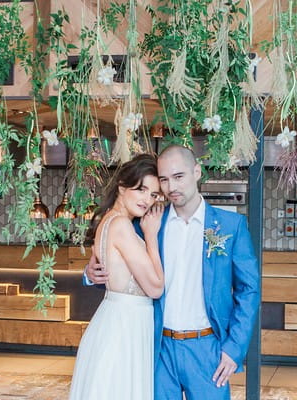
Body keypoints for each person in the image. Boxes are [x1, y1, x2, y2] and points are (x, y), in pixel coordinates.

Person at [86, 145, 260, 400]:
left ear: (196, 172)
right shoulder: (147, 223)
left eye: (179, 177)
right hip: (158, 347)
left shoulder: (231, 226)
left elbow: (249, 290)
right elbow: (118, 263)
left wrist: (234, 349)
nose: (171, 187)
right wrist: (90, 273)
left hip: (206, 347)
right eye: (164, 180)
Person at [69, 153, 165, 400]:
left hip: (118, 319)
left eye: (153, 194)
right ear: (122, 186)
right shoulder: (122, 225)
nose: (147, 200)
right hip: (124, 325)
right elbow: (155, 288)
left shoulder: (107, 221)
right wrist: (151, 236)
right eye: (141, 189)